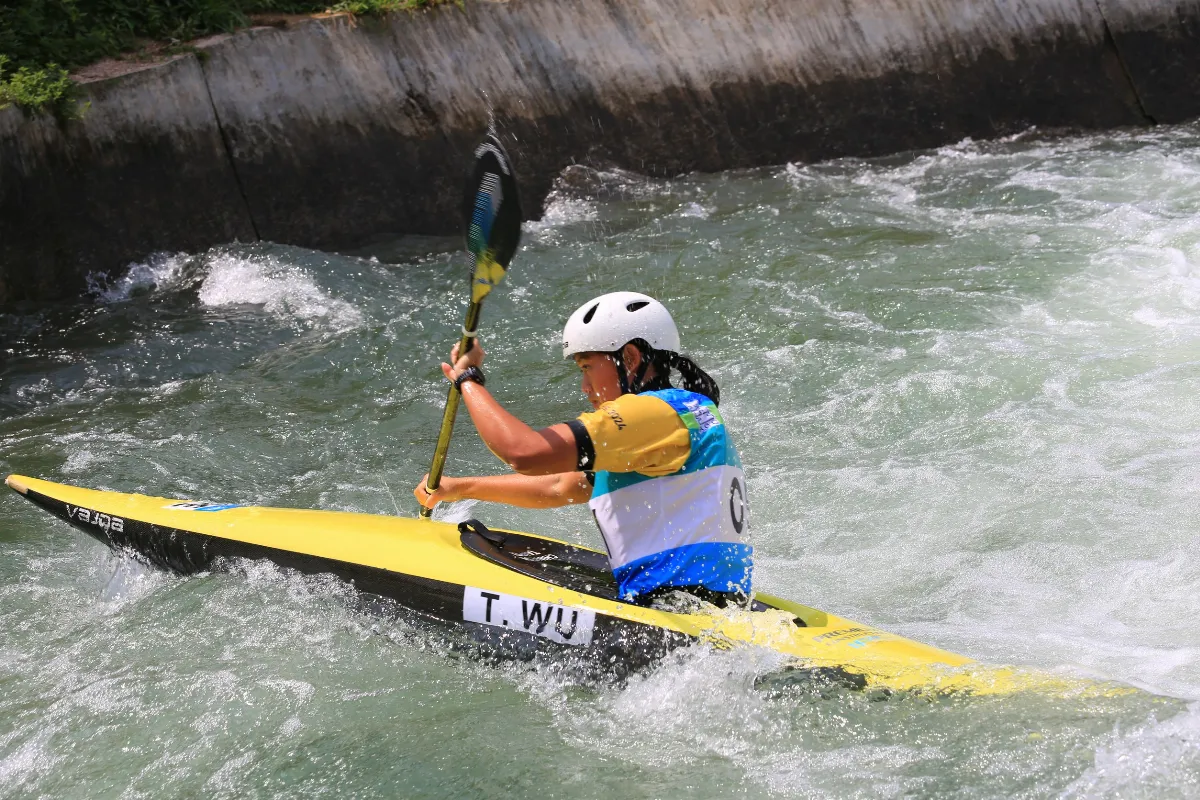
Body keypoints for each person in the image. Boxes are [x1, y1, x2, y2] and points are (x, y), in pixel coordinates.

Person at [414, 291, 752, 607]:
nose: (585, 386)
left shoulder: (653, 414)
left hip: (676, 612)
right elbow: (561, 486)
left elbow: (525, 453)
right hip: (714, 609)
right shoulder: (680, 416)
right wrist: (459, 488)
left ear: (630, 358)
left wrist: (468, 380)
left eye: (587, 367)